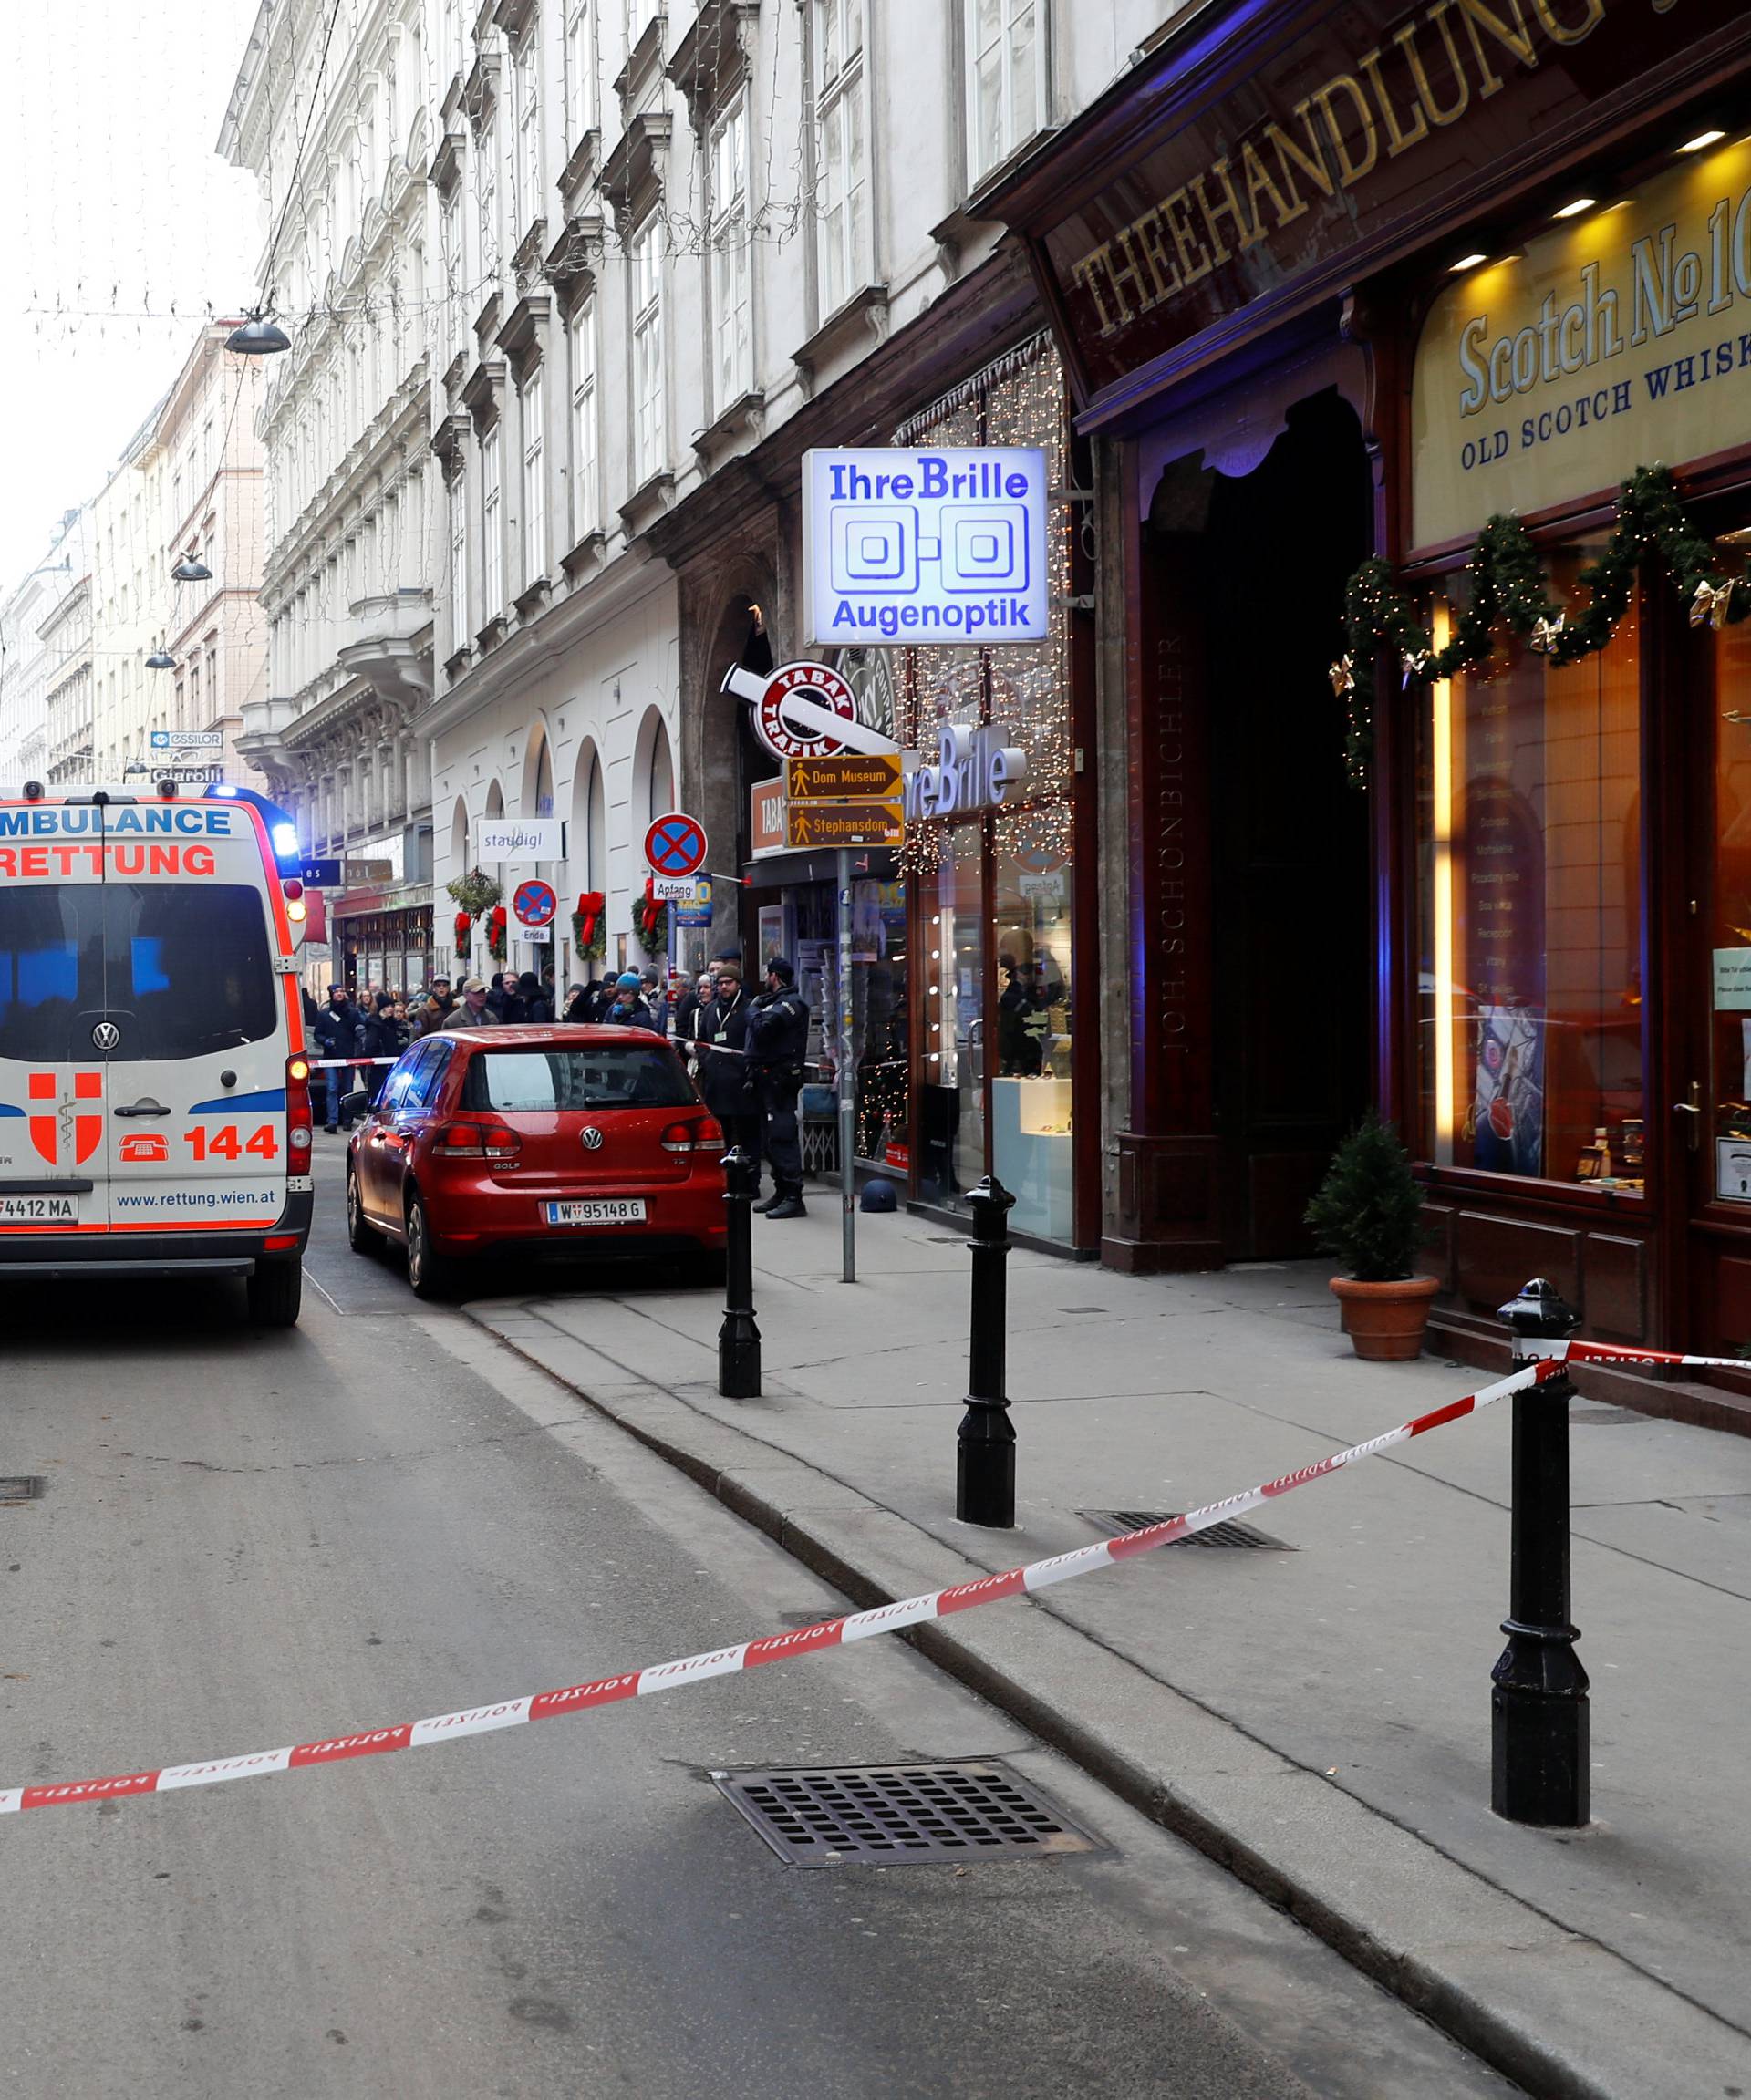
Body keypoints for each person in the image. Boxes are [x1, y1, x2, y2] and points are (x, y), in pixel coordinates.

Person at [746, 957, 810, 1217]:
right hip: (764, 1078)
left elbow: (764, 1028)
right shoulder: (770, 1003)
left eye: (768, 974)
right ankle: (782, 1190)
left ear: (775, 976)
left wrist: (752, 1011)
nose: (765, 978)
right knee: (769, 1138)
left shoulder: (791, 1004)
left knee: (782, 1135)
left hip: (780, 1078)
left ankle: (794, 1195)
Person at [694, 961, 760, 1173]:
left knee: (746, 1134)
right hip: (716, 1081)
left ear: (737, 984)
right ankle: (724, 1176)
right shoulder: (711, 1009)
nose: (723, 987)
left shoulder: (749, 1008)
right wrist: (707, 1059)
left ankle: (750, 1179)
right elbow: (702, 1040)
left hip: (741, 1082)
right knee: (721, 1132)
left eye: (728, 983)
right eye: (720, 983)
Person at [313, 985, 360, 1132]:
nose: (339, 994)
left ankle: (347, 1119)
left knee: (347, 1089)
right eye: (336, 992)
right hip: (330, 1057)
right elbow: (317, 1033)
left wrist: (360, 1031)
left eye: (341, 992)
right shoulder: (324, 1014)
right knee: (332, 1088)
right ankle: (332, 1121)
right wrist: (325, 1041)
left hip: (348, 1056)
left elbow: (359, 1028)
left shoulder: (352, 1013)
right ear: (331, 995)